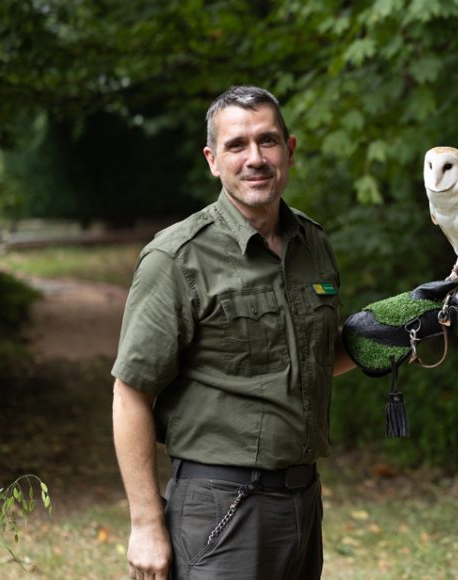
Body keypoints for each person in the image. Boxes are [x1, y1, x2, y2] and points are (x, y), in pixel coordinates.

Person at [111, 85, 356, 580]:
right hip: (220, 507)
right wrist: (144, 523)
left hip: (303, 501)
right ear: (212, 159)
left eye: (267, 141)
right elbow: (131, 392)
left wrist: (396, 333)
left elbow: (310, 359)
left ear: (289, 151)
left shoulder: (312, 244)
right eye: (236, 145)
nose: (255, 159)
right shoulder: (177, 258)